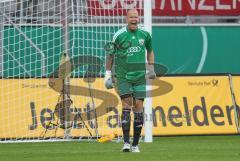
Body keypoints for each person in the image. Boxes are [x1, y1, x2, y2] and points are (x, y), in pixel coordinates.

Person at [104, 9, 156, 153]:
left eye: (136, 17)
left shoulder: (145, 34)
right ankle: (126, 143)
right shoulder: (119, 35)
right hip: (123, 77)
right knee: (126, 106)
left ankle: (135, 145)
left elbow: (150, 50)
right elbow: (110, 55)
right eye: (131, 17)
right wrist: (108, 74)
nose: (134, 19)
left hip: (140, 77)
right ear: (126, 18)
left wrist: (151, 68)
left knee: (139, 108)